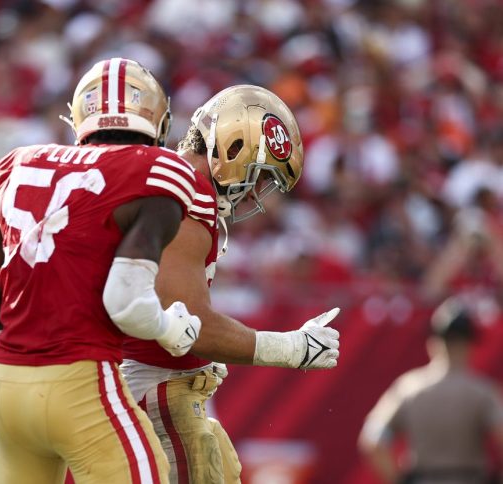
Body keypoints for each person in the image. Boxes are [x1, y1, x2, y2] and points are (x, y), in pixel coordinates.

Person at [0, 57, 203, 484]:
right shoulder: (158, 171)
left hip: (8, 392)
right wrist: (170, 328)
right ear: (159, 120)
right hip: (80, 384)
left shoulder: (21, 162)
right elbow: (126, 302)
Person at [120, 85, 342, 484]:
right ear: (232, 148)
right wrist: (293, 348)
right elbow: (191, 325)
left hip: (145, 385)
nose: (255, 193)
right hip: (151, 389)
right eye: (258, 176)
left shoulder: (172, 180)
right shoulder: (188, 190)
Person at [359, 298, 503, 484]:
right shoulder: (482, 392)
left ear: (432, 342)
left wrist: (398, 480)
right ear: (470, 345)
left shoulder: (408, 388)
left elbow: (373, 440)